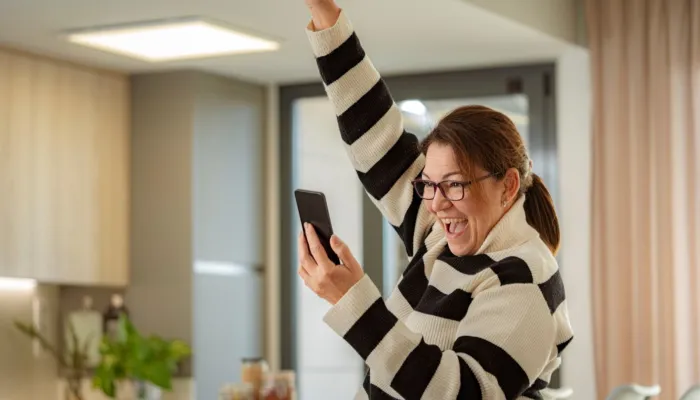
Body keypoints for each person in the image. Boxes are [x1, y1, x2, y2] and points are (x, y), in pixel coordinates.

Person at [296, 1, 574, 398]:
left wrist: (353, 301)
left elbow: (459, 394)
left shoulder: (523, 281)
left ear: (508, 187)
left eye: (455, 184)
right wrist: (325, 13)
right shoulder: (441, 237)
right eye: (428, 183)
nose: (437, 203)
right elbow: (375, 135)